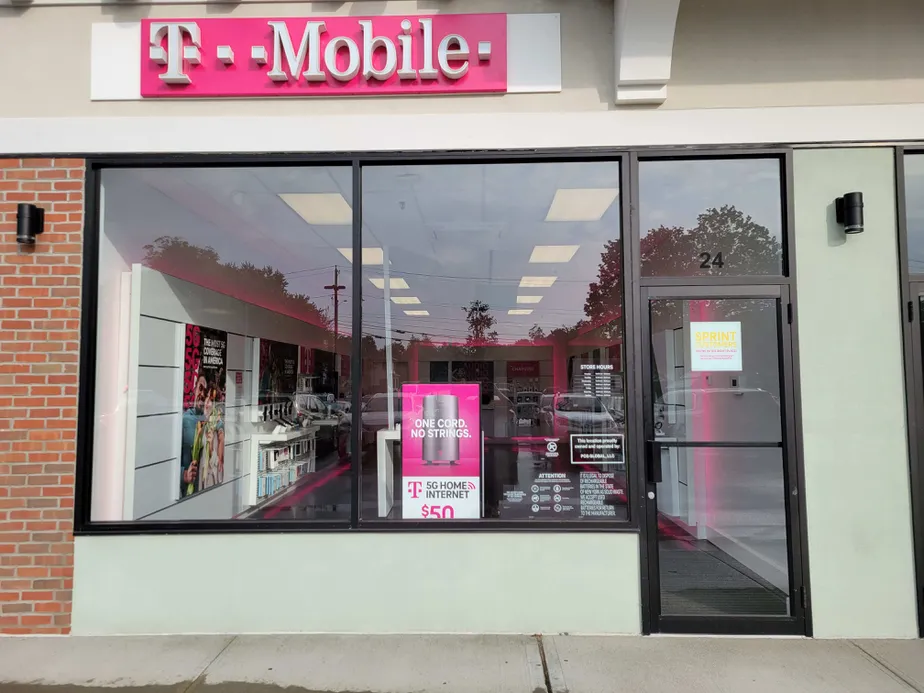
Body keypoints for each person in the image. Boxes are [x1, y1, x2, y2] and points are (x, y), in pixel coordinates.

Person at [180, 375, 206, 497]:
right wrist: (183, 475)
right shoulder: (184, 420)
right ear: (194, 389)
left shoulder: (208, 421)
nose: (202, 394)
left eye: (206, 391)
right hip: (186, 493)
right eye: (200, 388)